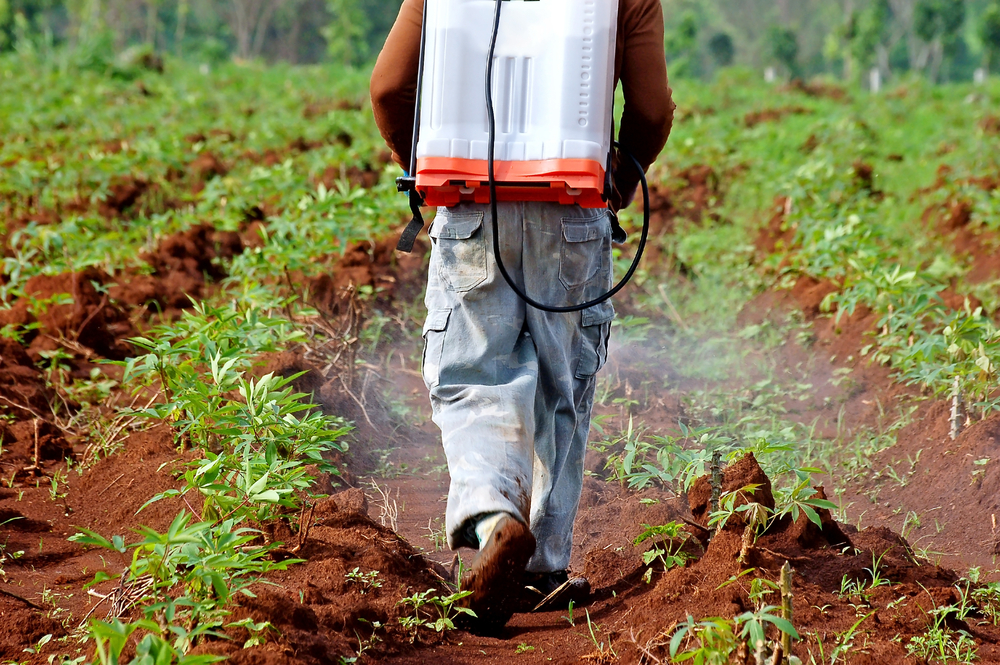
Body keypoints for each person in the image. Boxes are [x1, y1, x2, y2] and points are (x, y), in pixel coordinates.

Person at [370, 0, 674, 632]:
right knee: (563, 387)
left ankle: (491, 516)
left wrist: (419, 166)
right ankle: (542, 569)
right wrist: (622, 175)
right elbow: (650, 108)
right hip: (573, 209)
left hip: (471, 202)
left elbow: (389, 88)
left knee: (472, 376)